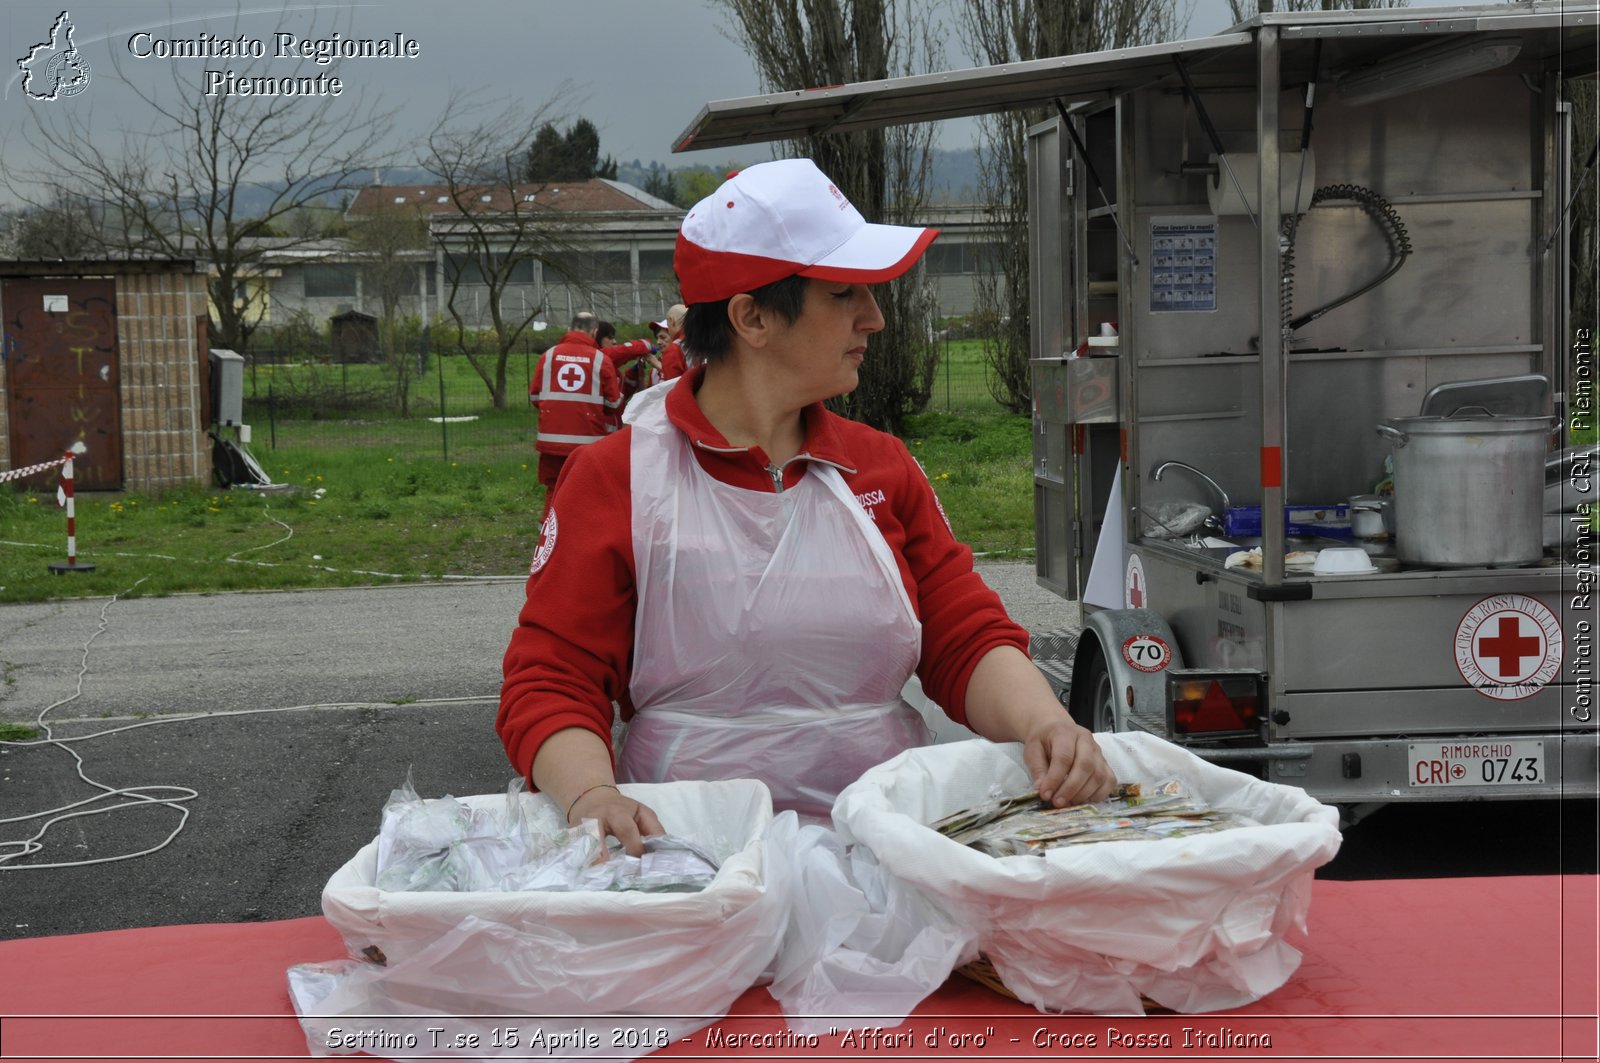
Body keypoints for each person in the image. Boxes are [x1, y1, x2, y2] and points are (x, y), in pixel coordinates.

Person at [500, 159, 1115, 854]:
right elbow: (554, 675)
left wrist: (1045, 724)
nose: (875, 318)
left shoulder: (880, 466)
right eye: (844, 293)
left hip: (880, 843)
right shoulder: (616, 478)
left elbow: (964, 636)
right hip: (694, 859)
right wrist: (592, 794)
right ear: (751, 316)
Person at [527, 312, 622, 493]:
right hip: (588, 443)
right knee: (586, 492)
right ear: (594, 332)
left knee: (554, 490)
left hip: (551, 442)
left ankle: (548, 523)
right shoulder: (601, 360)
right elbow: (612, 405)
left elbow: (535, 397)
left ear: (569, 329)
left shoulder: (548, 356)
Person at [594, 320, 659, 419]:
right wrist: (646, 345)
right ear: (596, 337)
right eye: (610, 337)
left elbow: (619, 397)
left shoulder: (611, 368)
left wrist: (632, 375)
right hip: (601, 430)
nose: (614, 341)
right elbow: (625, 351)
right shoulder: (596, 358)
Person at [656, 303, 690, 380]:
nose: (658, 342)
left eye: (668, 325)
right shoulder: (705, 341)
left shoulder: (674, 349)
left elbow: (672, 387)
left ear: (672, 321)